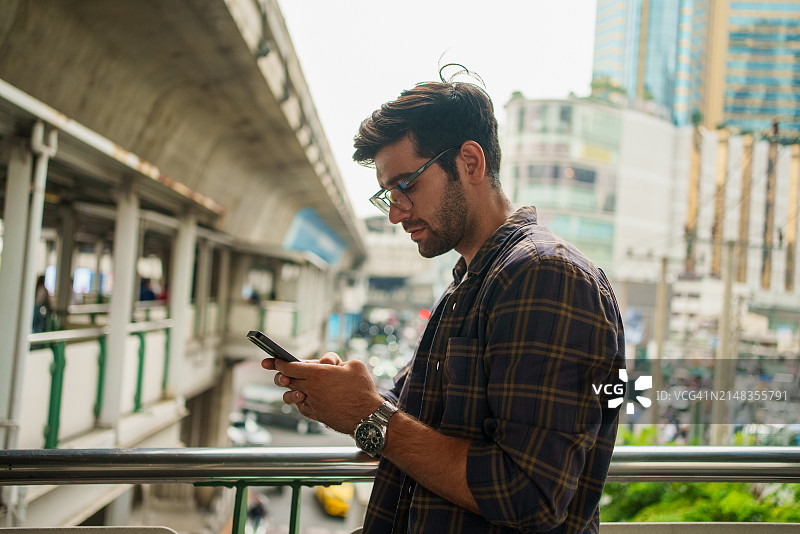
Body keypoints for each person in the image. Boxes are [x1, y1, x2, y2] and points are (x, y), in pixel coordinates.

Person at [262, 67, 626, 533]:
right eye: (386, 195)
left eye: (406, 186)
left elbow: (530, 495)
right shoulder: (471, 280)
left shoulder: (545, 276)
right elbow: (419, 411)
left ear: (470, 163)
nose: (395, 213)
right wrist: (346, 394)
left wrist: (369, 414)